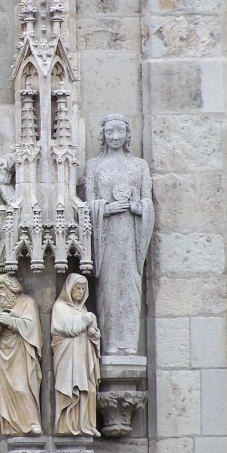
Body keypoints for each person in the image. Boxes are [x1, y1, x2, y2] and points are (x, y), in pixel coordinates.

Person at [85, 114, 154, 356]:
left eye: (120, 132)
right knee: (109, 288)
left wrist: (137, 207)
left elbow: (148, 203)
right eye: (110, 132)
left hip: (132, 236)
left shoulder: (139, 165)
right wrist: (106, 209)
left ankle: (129, 342)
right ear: (102, 135)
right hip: (107, 237)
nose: (115, 137)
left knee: (131, 287)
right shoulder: (94, 165)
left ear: (127, 135)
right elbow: (88, 205)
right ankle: (111, 343)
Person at [0, 274, 42, 436]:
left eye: (2, 288)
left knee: (21, 387)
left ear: (12, 288)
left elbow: (32, 327)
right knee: (2, 391)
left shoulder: (28, 302)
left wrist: (11, 321)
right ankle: (10, 425)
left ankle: (31, 422)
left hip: (20, 351)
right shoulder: (1, 307)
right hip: (1, 353)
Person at [52, 273, 101, 436]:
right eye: (77, 288)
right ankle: (68, 425)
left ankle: (86, 423)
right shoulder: (60, 307)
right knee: (72, 388)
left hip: (83, 355)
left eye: (83, 289)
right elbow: (67, 330)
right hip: (68, 356)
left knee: (88, 389)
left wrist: (93, 332)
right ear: (69, 289)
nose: (80, 292)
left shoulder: (83, 309)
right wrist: (84, 321)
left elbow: (89, 333)